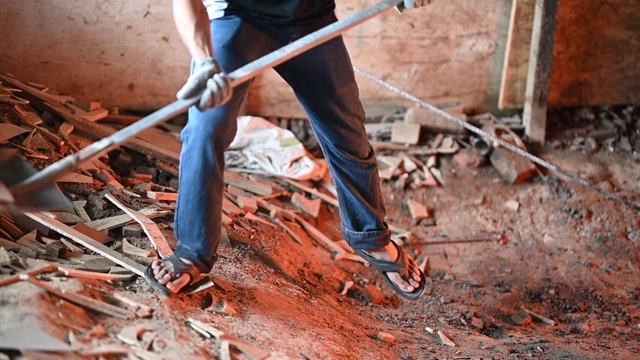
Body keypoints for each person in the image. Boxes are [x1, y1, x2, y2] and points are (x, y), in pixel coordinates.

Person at [145, 0, 429, 300]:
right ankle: (193, 250)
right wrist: (203, 61)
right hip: (238, 16)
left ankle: (370, 237)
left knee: (347, 132)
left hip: (310, 19)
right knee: (205, 128)